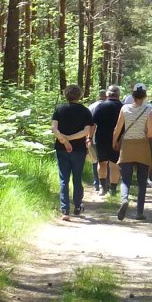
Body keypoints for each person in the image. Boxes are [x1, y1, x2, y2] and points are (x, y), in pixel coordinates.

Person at [50, 84, 93, 218]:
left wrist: (64, 140)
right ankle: (78, 206)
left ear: (65, 94)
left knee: (64, 179)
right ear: (80, 95)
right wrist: (70, 139)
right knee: (77, 178)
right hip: (79, 150)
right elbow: (86, 131)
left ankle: (65, 210)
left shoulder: (59, 109)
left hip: (61, 149)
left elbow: (54, 129)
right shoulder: (85, 111)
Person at [114, 84, 152, 220]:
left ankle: (124, 200)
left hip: (126, 146)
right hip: (141, 146)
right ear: (144, 97)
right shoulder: (148, 110)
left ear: (132, 96)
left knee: (125, 179)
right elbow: (150, 133)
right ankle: (139, 212)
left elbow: (117, 129)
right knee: (142, 181)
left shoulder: (124, 108)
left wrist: (114, 142)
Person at [90, 85, 124, 196]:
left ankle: (103, 188)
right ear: (118, 95)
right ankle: (113, 190)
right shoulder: (123, 107)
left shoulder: (101, 106)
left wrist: (89, 138)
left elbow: (93, 124)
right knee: (114, 165)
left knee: (102, 162)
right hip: (118, 139)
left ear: (107, 94)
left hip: (101, 138)